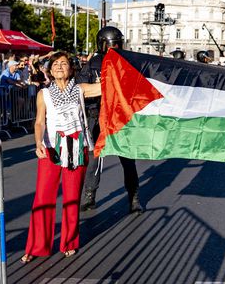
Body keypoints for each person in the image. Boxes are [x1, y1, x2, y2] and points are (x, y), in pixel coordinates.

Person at [22, 52, 102, 261]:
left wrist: (112, 66)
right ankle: (37, 246)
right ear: (50, 70)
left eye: (64, 63)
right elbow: (40, 122)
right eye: (55, 64)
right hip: (51, 148)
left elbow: (106, 87)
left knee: (72, 197)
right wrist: (38, 142)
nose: (59, 66)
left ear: (71, 69)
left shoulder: (80, 89)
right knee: (43, 197)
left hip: (77, 147)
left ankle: (69, 242)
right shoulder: (44, 94)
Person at [78, 26, 143, 212]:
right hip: (97, 115)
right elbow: (79, 88)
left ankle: (133, 197)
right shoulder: (92, 65)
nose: (114, 47)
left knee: (127, 159)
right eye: (111, 44)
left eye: (117, 44)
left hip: (119, 117)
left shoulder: (127, 62)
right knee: (95, 159)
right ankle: (90, 195)